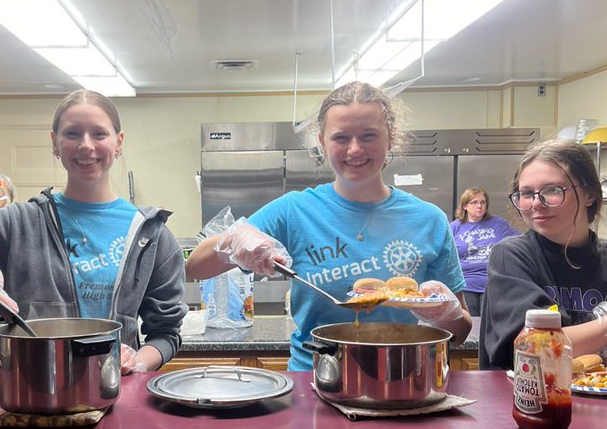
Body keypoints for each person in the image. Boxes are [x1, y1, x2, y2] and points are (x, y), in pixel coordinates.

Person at [0, 90, 186, 373]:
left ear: (118, 142)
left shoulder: (151, 235)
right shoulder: (18, 223)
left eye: (99, 133)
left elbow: (166, 335)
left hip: (115, 391)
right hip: (34, 391)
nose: (85, 145)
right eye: (72, 133)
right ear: (54, 142)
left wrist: (137, 360)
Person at [185, 81, 471, 372]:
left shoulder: (429, 219)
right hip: (314, 381)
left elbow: (460, 331)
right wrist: (234, 241)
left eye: (369, 135)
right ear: (322, 141)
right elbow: (195, 266)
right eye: (341, 137)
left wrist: (447, 314)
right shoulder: (294, 210)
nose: (355, 149)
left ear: (391, 137)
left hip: (399, 380)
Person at [479, 139, 607, 371]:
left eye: (552, 190)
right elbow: (533, 350)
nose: (536, 203)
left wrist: (602, 360)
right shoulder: (511, 257)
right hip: (533, 403)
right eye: (526, 193)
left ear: (589, 194)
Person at [450, 188, 520, 316]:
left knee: (489, 324)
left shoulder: (499, 224)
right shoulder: (454, 227)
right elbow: (446, 256)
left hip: (492, 283)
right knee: (468, 324)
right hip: (465, 284)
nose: (479, 206)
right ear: (465, 206)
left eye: (482, 202)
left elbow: (520, 243)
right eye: (474, 202)